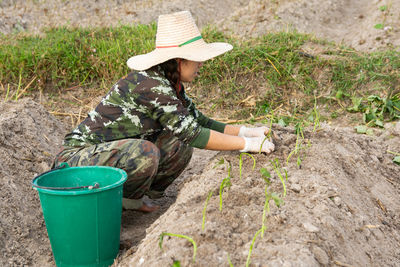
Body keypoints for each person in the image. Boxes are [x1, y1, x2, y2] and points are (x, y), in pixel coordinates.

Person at [53, 11, 275, 212]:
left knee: (178, 144)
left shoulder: (169, 83)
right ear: (179, 61)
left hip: (109, 155)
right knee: (144, 151)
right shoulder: (151, 85)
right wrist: (247, 145)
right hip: (75, 162)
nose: (201, 65)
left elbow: (198, 122)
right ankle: (119, 204)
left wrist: (246, 131)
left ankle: (130, 201)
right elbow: (195, 134)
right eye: (197, 59)